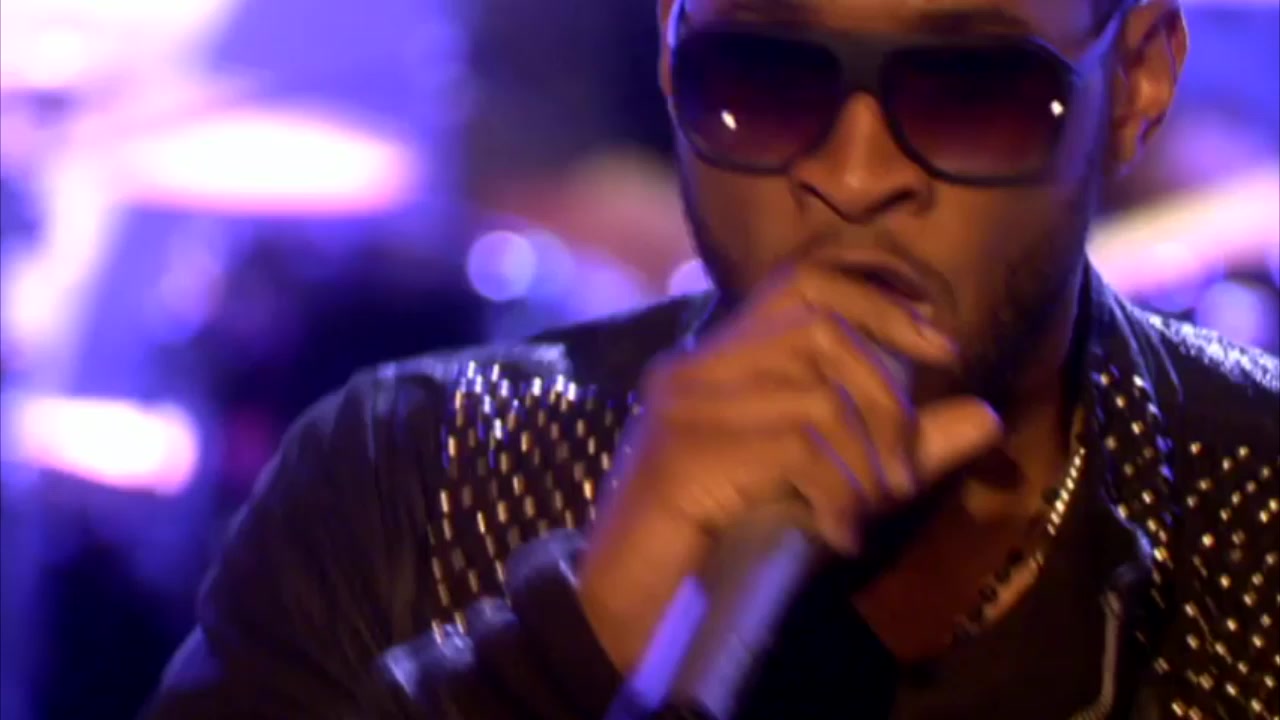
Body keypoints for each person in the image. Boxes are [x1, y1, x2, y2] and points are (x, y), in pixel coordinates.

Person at [144, 0, 1280, 717]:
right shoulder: (410, 486)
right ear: (668, 56)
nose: (853, 175)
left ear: (1136, 82)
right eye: (759, 78)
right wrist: (584, 639)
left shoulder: (1258, 508)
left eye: (973, 92)